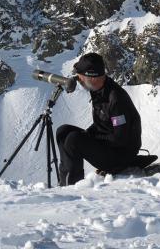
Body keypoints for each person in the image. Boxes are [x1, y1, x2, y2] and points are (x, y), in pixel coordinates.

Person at [56, 52, 142, 186]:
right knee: (63, 131)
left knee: (74, 140)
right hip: (110, 145)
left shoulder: (115, 99)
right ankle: (65, 182)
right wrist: (89, 134)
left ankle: (72, 187)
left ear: (93, 78)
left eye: (80, 78)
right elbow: (103, 124)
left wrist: (90, 138)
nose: (78, 80)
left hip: (121, 154)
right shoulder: (99, 90)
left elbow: (120, 138)